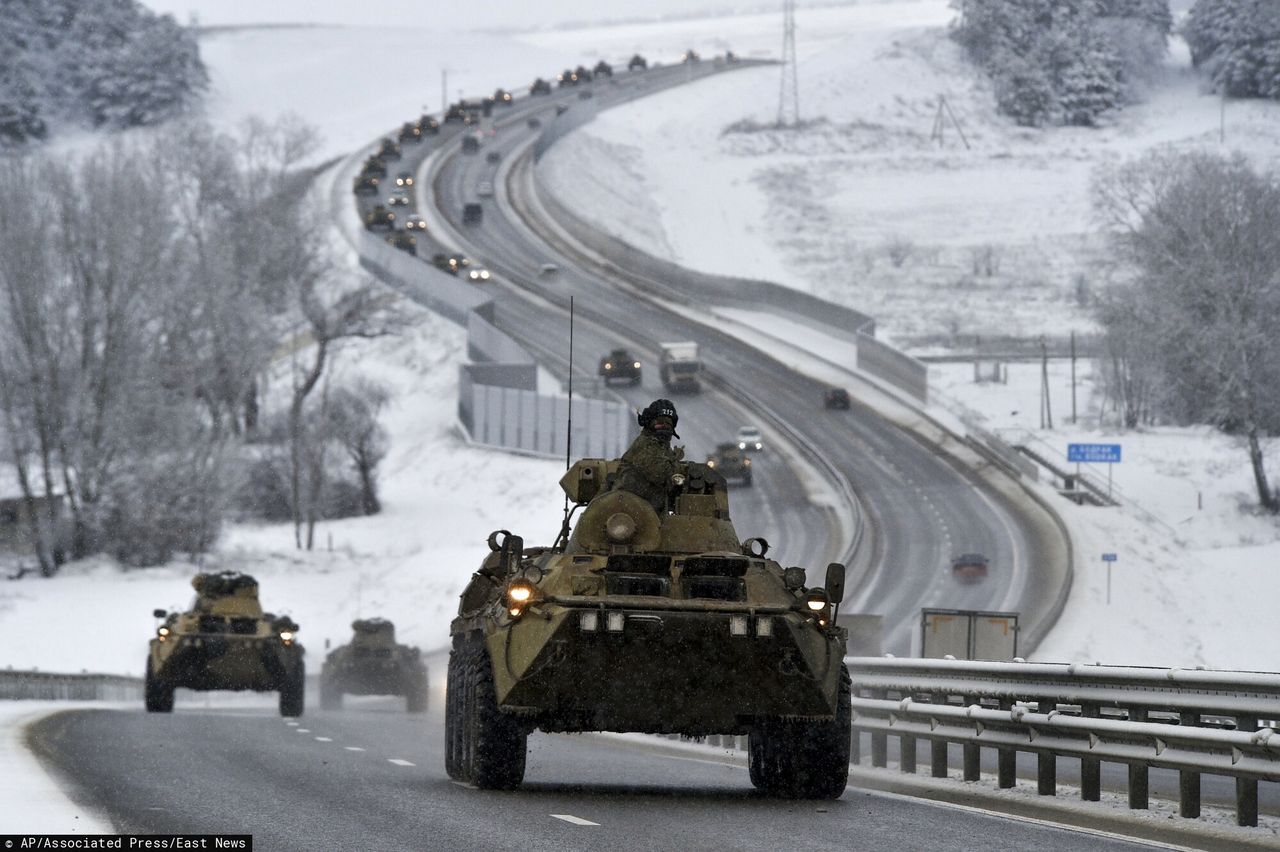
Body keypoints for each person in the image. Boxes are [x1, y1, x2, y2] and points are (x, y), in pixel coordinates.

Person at [614, 398, 684, 515]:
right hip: (628, 511)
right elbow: (662, 475)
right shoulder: (646, 445)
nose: (664, 427)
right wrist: (675, 461)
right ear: (649, 422)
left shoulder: (661, 446)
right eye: (660, 422)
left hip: (646, 511)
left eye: (668, 424)